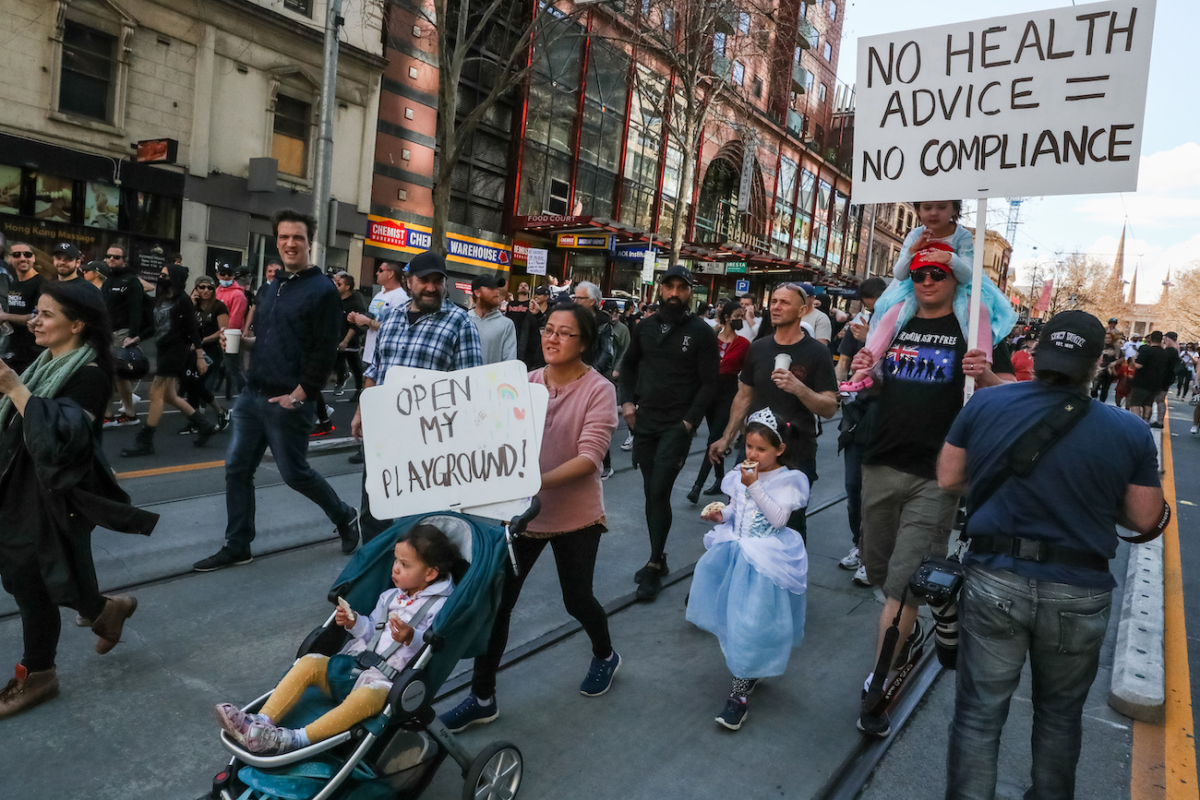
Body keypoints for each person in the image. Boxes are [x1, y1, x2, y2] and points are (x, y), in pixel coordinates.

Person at [937, 310, 1165, 800]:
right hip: (1079, 588)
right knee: (1060, 717)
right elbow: (1146, 518)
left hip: (995, 577)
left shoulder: (985, 404)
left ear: (1035, 354)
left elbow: (949, 479)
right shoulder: (1128, 430)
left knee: (979, 713)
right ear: (1096, 366)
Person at [849, 233, 1014, 737]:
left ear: (953, 278)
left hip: (937, 475)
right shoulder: (893, 323)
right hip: (881, 462)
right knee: (880, 572)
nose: (925, 281)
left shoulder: (973, 330)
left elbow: (1012, 393)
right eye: (918, 274)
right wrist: (865, 372)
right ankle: (928, 608)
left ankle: (879, 682)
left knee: (900, 587)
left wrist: (984, 376)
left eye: (936, 273)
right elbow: (879, 383)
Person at [440, 303, 621, 732]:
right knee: (498, 603)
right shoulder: (522, 383)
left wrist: (528, 480)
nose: (552, 339)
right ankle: (482, 696)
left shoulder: (599, 390)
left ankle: (605, 654)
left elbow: (589, 459)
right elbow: (491, 436)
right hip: (519, 516)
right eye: (547, 330)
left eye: (565, 333)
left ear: (585, 342)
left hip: (576, 515)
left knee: (577, 599)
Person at [0, 281, 158, 719]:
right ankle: (107, 610)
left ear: (77, 324)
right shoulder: (44, 362)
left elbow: (62, 441)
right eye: (36, 311)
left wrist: (13, 387)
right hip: (17, 482)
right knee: (29, 573)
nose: (35, 319)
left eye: (46, 314)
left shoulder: (89, 375)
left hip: (50, 490)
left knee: (34, 580)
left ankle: (38, 674)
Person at [194, 209, 359, 570]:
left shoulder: (322, 291)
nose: (289, 243)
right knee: (237, 467)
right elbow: (270, 340)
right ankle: (238, 544)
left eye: (297, 237)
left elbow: (323, 352)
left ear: (308, 243)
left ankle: (345, 516)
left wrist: (298, 396)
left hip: (287, 399)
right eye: (283, 237)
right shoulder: (272, 287)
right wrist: (239, 343)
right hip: (254, 395)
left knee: (294, 473)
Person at [216, 526, 459, 754]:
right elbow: (371, 631)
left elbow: (432, 650)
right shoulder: (389, 596)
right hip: (353, 666)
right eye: (395, 560)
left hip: (385, 682)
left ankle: (293, 739)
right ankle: (260, 722)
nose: (395, 568)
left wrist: (411, 637)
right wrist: (355, 622)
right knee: (310, 661)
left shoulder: (440, 607)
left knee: (366, 697)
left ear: (430, 573)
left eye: (404, 565)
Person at [688, 408, 809, 731]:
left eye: (761, 449)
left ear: (779, 450)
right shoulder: (741, 474)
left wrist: (754, 484)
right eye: (749, 447)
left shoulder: (787, 480)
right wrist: (721, 515)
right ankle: (748, 671)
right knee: (737, 620)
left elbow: (779, 519)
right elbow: (736, 508)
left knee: (751, 624)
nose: (752, 454)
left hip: (765, 561)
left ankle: (738, 695)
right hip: (735, 555)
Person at [351, 251, 483, 543]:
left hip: (431, 444)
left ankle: (423, 586)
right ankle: (378, 579)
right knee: (374, 512)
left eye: (438, 281)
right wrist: (363, 410)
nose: (431, 287)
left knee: (424, 526)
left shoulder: (460, 322)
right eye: (424, 280)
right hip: (385, 437)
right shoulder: (391, 318)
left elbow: (471, 386)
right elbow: (376, 369)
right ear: (409, 282)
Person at [707, 283, 839, 540]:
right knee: (742, 517)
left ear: (802, 310)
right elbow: (744, 396)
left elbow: (830, 408)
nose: (776, 307)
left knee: (788, 525)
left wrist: (799, 388)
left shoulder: (817, 352)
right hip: (754, 449)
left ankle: (784, 577)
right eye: (774, 301)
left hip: (795, 454)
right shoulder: (759, 348)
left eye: (784, 302)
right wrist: (727, 436)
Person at [841, 201, 1014, 394]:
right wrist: (912, 252)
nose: (928, 282)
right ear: (918, 210)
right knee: (891, 314)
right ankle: (861, 374)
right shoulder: (915, 234)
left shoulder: (962, 235)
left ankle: (978, 374)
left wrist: (949, 259)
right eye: (927, 207)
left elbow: (966, 274)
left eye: (941, 207)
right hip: (907, 291)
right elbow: (900, 273)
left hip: (962, 289)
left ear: (955, 210)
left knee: (978, 311)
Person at [619, 265, 718, 601]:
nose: (675, 293)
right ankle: (658, 558)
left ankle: (652, 563)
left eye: (682, 288)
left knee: (659, 490)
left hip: (677, 425)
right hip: (645, 420)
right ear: (660, 290)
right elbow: (628, 365)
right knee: (651, 491)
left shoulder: (702, 332)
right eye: (669, 287)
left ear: (690, 293)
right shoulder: (644, 327)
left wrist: (689, 423)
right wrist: (627, 403)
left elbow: (710, 383)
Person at [119, 265, 218, 456]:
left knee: (155, 394)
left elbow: (192, 331)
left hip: (176, 352)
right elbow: (156, 326)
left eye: (165, 275)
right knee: (170, 396)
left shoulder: (183, 301)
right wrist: (136, 339)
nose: (161, 278)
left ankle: (145, 440)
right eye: (161, 275)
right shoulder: (162, 298)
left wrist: (199, 356)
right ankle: (203, 425)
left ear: (175, 279)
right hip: (163, 350)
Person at [834, 277, 887, 584]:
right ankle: (859, 543)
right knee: (854, 487)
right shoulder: (857, 326)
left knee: (876, 491)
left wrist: (872, 340)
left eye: (874, 306)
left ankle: (872, 554)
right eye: (866, 306)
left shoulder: (895, 326)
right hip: (855, 415)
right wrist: (840, 384)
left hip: (883, 417)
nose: (869, 311)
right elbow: (843, 363)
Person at [687, 300, 749, 504]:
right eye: (737, 316)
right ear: (727, 318)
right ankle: (721, 479)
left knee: (714, 437)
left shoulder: (744, 344)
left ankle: (697, 485)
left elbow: (747, 372)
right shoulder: (711, 338)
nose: (740, 320)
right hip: (710, 388)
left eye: (742, 316)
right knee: (716, 436)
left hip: (728, 390)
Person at [99, 243, 149, 427]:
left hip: (122, 333)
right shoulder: (108, 280)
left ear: (124, 260)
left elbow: (137, 309)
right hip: (107, 332)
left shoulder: (131, 281)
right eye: (109, 256)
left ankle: (118, 414)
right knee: (113, 375)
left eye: (116, 257)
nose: (111, 259)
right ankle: (124, 413)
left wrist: (132, 335)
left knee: (117, 374)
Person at [178, 276, 230, 433]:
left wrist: (201, 341)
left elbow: (222, 331)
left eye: (209, 288)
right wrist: (191, 304)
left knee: (197, 384)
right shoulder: (191, 305)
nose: (205, 290)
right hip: (191, 352)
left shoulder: (218, 307)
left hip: (211, 351)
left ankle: (200, 420)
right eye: (201, 287)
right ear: (196, 289)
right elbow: (181, 324)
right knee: (192, 384)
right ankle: (218, 413)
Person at [1, 240, 44, 376]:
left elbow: (37, 317)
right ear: (9, 259)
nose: (23, 258)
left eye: (27, 254)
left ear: (33, 258)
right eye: (17, 255)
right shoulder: (14, 284)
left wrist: (5, 316)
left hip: (33, 353)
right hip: (13, 349)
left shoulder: (41, 284)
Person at [215, 264, 249, 399]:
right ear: (218, 275)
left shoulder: (238, 294)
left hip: (229, 336)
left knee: (232, 368)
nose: (226, 277)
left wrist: (226, 335)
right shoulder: (217, 291)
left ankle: (248, 395)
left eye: (229, 274)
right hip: (215, 335)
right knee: (221, 366)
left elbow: (235, 319)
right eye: (223, 274)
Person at [469, 273, 517, 365]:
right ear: (477, 292)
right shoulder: (464, 320)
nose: (497, 291)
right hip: (464, 379)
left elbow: (509, 363)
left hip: (494, 379)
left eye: (497, 288)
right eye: (491, 288)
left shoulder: (506, 325)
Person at [332, 271, 367, 398]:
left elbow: (354, 325)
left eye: (339, 284)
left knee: (354, 364)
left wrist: (346, 340)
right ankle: (340, 381)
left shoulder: (354, 303)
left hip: (350, 340)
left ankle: (359, 388)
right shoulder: (336, 301)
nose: (336, 286)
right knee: (339, 362)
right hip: (337, 337)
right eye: (335, 283)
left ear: (347, 287)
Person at [572, 281, 614, 375]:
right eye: (574, 298)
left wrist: (591, 373)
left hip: (591, 375)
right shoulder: (569, 319)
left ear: (592, 301)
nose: (575, 301)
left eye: (580, 298)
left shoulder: (604, 324)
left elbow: (606, 353)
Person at [1128, 330, 1169, 424]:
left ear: (1151, 338)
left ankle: (1136, 423)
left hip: (1141, 382)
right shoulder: (1165, 353)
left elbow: (1138, 365)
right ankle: (1146, 420)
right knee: (1148, 404)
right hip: (1156, 383)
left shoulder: (1146, 350)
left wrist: (1134, 360)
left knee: (1136, 403)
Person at [517, 285, 551, 370]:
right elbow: (525, 332)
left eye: (540, 294)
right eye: (536, 294)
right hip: (529, 352)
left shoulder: (552, 312)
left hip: (543, 352)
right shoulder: (530, 312)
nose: (537, 296)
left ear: (547, 297)